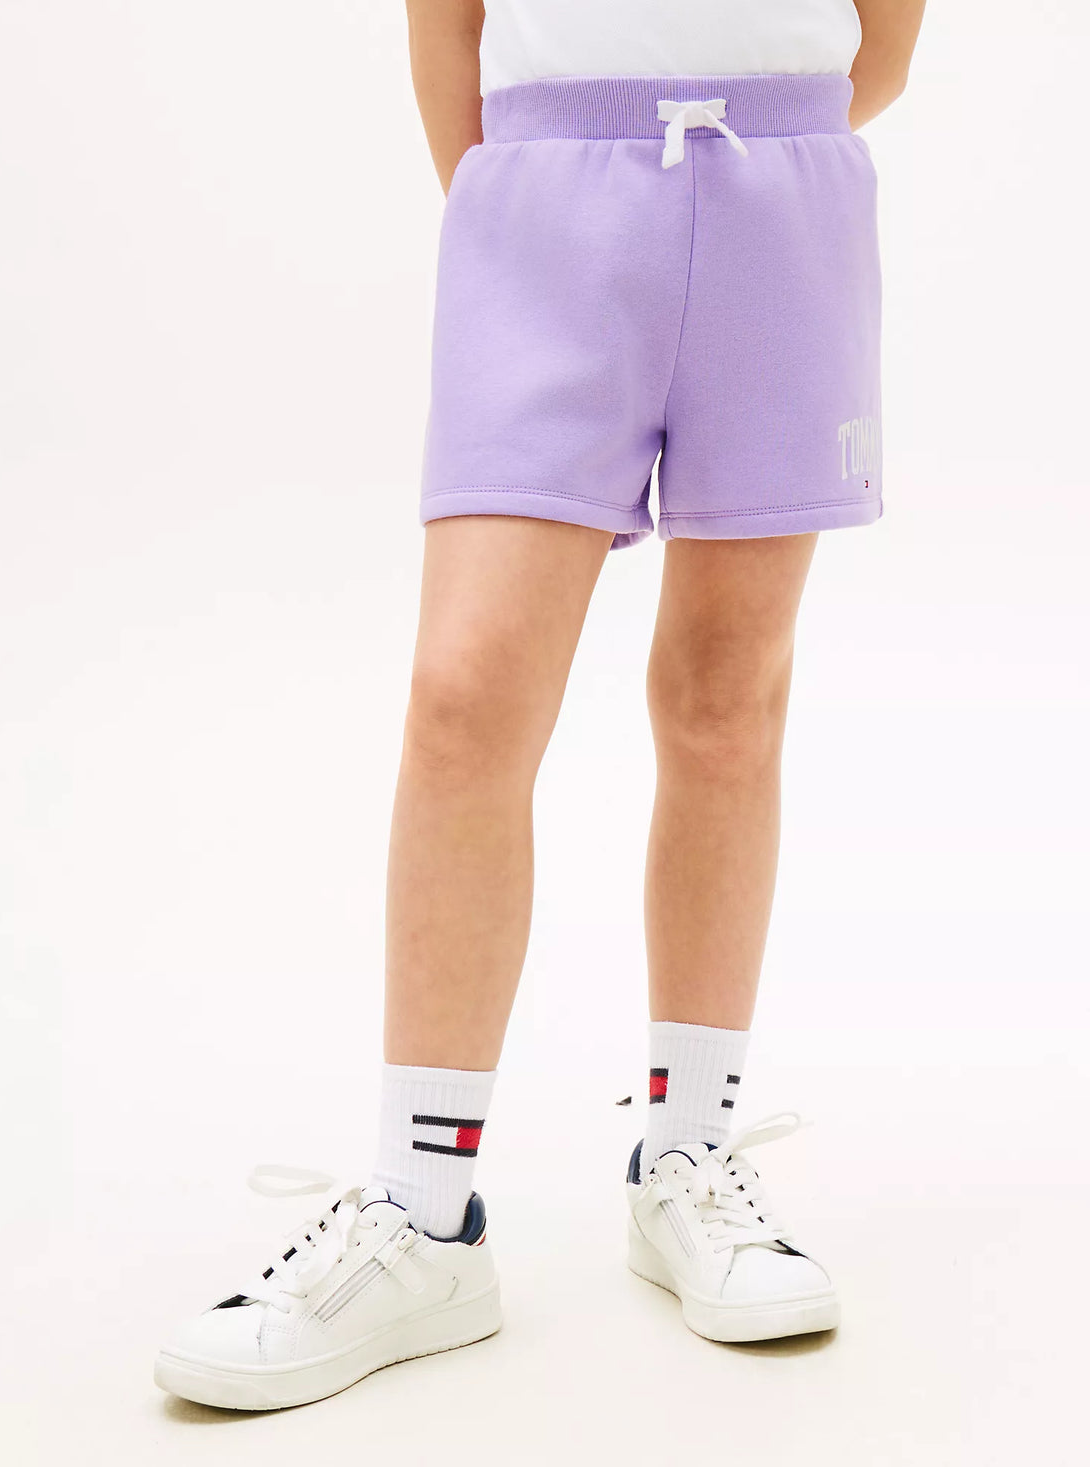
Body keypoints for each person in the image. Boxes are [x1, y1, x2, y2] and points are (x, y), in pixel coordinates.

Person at [155, 0, 926, 1409]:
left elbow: (887, 43)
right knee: (464, 695)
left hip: (783, 193)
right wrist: (538, 197)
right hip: (547, 198)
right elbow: (444, 32)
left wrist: (767, 140)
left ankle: (687, 1150)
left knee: (727, 697)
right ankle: (423, 1212)